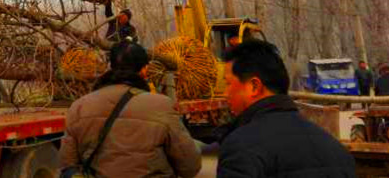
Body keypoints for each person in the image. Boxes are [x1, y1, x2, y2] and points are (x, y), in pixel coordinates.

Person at [59, 42, 201, 178]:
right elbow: (190, 167)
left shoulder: (79, 107)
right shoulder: (162, 106)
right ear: (145, 70)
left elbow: (67, 165)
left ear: (110, 67)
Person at [217, 40, 355, 178]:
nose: (225, 93)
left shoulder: (241, 148)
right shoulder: (337, 150)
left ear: (254, 86)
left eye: (228, 83)